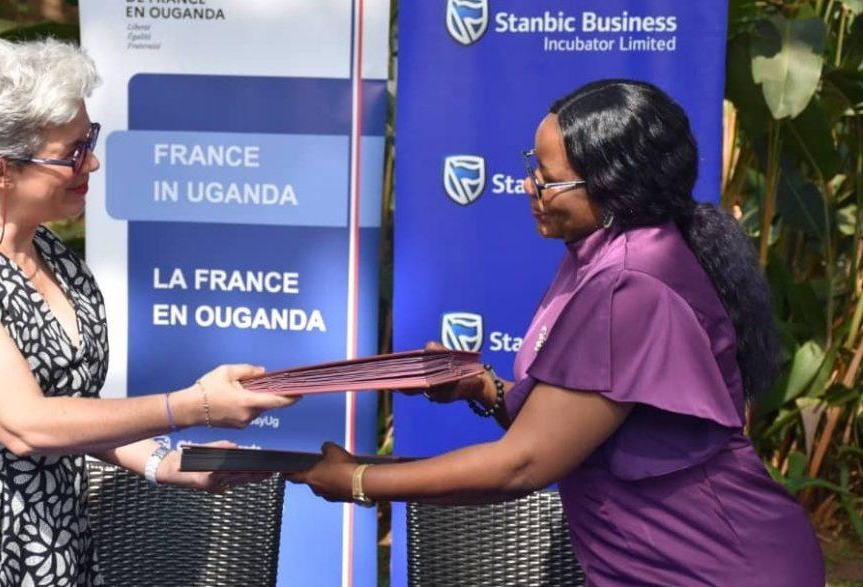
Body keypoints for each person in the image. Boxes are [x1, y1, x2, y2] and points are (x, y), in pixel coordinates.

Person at [289, 80, 825, 585]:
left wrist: (359, 481)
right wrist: (482, 387)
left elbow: (522, 464)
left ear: (613, 186)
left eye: (548, 178)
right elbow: (580, 431)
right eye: (532, 166)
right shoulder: (600, 252)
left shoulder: (630, 284)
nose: (530, 186)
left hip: (717, 567)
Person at [0, 38, 295, 586]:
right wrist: (193, 406)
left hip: (49, 535)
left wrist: (160, 462)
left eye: (89, 138)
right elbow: (26, 424)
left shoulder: (45, 251)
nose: (91, 162)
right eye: (72, 151)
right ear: (2, 171)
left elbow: (69, 409)